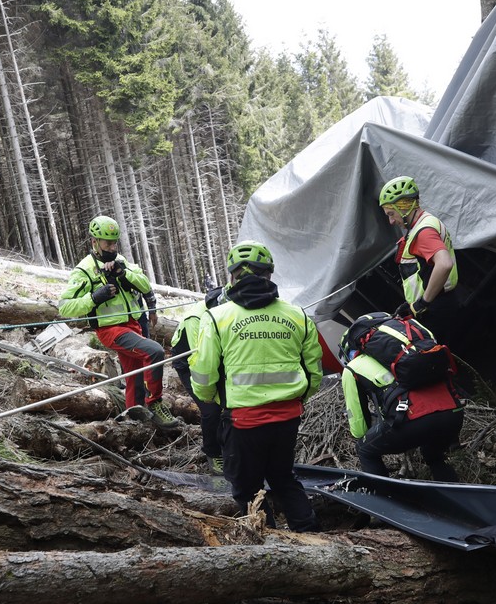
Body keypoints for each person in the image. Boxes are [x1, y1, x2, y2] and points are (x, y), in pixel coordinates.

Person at [190, 241, 322, 532]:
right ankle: (310, 532)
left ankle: (269, 542)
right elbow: (313, 370)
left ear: (232, 277)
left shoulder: (217, 317)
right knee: (284, 478)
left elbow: (203, 373)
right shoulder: (296, 315)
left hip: (243, 421)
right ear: (270, 275)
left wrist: (212, 399)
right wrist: (299, 399)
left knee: (247, 488)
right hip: (288, 417)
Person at [59, 215, 180, 430]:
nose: (113, 247)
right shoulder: (84, 270)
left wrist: (124, 274)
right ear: (94, 241)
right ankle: (155, 404)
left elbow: (144, 283)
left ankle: (135, 423)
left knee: (135, 376)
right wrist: (95, 297)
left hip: (134, 324)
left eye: (115, 242)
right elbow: (65, 307)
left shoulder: (121, 260)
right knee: (154, 352)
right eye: (108, 243)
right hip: (111, 329)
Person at [339, 312, 463, 482]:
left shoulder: (353, 368)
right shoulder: (410, 349)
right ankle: (455, 494)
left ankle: (385, 502)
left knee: (365, 450)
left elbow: (359, 428)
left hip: (413, 421)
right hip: (453, 414)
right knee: (433, 454)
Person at [378, 175, 460, 343]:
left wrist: (423, 302)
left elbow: (444, 264)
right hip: (440, 304)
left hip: (436, 308)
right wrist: (411, 305)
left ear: (404, 206)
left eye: (392, 213)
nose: (391, 221)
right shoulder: (425, 222)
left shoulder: (423, 232)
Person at [170, 286, 224, 473]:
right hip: (189, 362)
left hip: (214, 357)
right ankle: (213, 452)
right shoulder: (197, 319)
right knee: (211, 409)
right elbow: (200, 360)